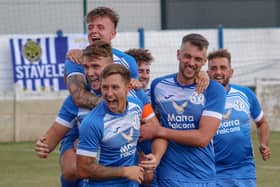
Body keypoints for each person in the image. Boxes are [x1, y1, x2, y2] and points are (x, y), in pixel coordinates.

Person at [35, 40, 166, 187]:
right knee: (71, 171)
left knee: (148, 175)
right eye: (86, 67)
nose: (90, 73)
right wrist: (43, 145)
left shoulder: (135, 96)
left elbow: (156, 130)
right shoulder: (77, 101)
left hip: (126, 172)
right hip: (98, 175)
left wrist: (154, 156)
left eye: (95, 66)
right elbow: (49, 141)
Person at [139, 33, 226, 187]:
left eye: (198, 59)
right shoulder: (158, 86)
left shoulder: (214, 90)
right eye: (187, 56)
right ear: (178, 54)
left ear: (204, 61)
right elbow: (155, 124)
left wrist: (160, 131)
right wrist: (155, 157)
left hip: (202, 176)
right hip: (168, 175)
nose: (191, 63)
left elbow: (202, 138)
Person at [76, 63, 158, 186]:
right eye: (105, 87)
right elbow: (83, 170)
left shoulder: (137, 106)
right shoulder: (92, 123)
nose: (109, 94)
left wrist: (154, 157)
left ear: (128, 88)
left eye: (115, 87)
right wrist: (124, 171)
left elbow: (158, 131)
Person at [207, 49, 271, 187]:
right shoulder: (201, 98)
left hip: (244, 170)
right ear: (207, 73)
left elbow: (262, 123)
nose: (218, 72)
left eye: (223, 68)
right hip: (212, 171)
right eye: (213, 68)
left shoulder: (245, 94)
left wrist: (263, 144)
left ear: (231, 72)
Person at [65, 6, 141, 110]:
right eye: (90, 27)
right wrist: (116, 105)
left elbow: (134, 93)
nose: (94, 31)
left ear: (113, 34)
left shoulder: (128, 61)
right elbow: (79, 97)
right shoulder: (76, 59)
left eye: (100, 27)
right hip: (84, 123)